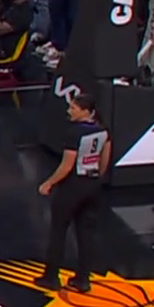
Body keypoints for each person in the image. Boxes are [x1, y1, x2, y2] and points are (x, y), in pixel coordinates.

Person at [40, 91, 110, 293]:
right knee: (86, 234)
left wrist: (48, 183)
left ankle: (51, 277)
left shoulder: (74, 133)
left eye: (73, 108)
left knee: (58, 232)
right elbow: (105, 157)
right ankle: (83, 280)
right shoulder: (103, 130)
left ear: (86, 111)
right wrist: (96, 178)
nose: (69, 111)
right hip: (92, 185)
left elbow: (66, 165)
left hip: (73, 185)